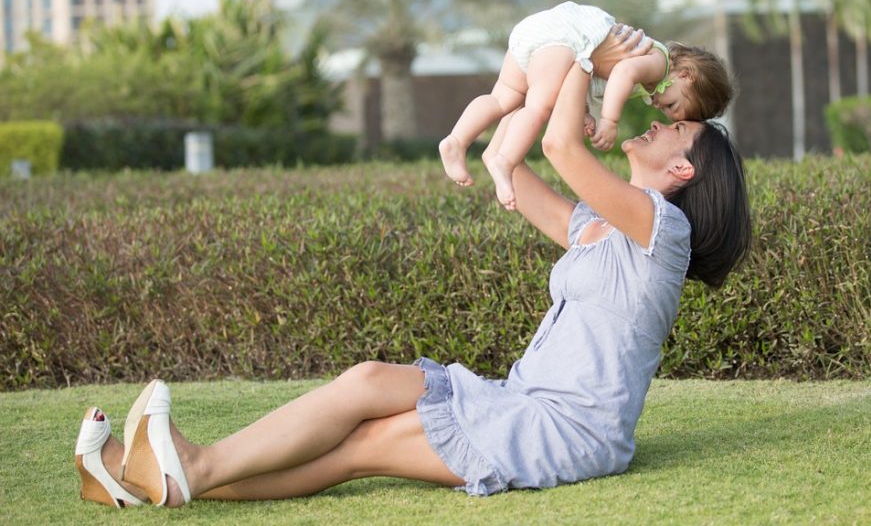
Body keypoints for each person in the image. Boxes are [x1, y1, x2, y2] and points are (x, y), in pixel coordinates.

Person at [72, 27, 752, 507]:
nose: (660, 121)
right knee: (369, 383)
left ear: (682, 169)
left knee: (368, 444)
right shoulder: (602, 227)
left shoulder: (665, 229)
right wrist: (527, 87)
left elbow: (562, 146)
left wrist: (584, 42)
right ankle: (143, 477)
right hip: (516, 396)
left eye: (677, 129)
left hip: (567, 431)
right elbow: (517, 166)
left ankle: (184, 470)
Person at [439, 1, 733, 210]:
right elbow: (620, 72)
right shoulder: (659, 64)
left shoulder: (652, 74)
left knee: (503, 97)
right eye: (672, 106)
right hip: (567, 38)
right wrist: (609, 121)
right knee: (539, 107)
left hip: (542, 33)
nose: (662, 110)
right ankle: (504, 160)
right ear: (686, 75)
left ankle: (456, 140)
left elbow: (590, 75)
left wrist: (584, 112)